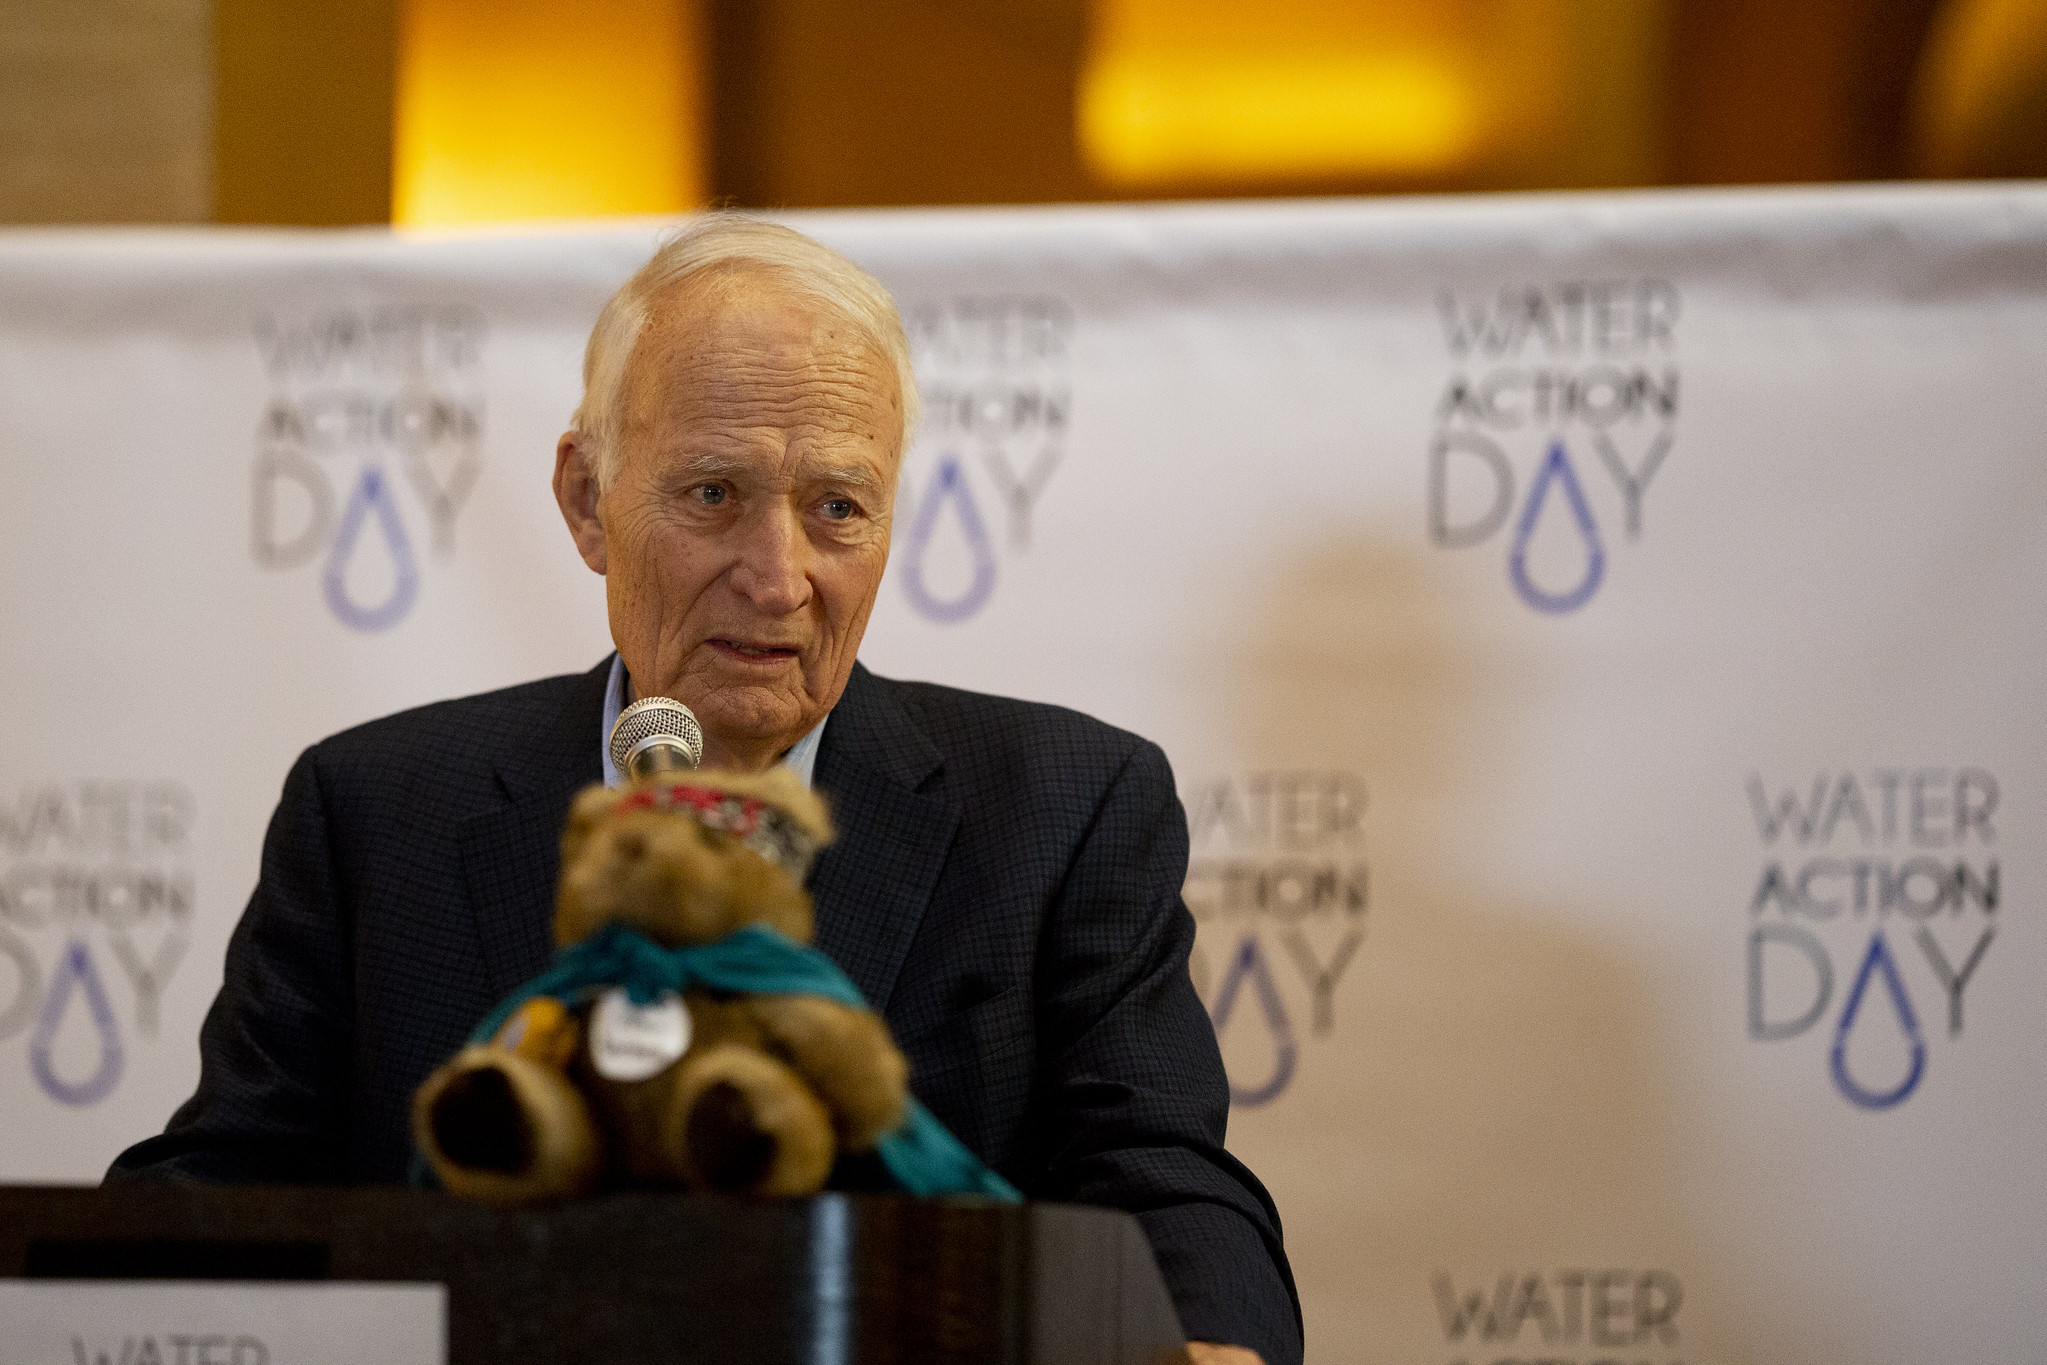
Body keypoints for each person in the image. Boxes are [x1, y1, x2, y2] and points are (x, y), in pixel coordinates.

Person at [110, 216, 1301, 1365]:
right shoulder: (373, 811)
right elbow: (225, 1191)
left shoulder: (1066, 810)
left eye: (836, 508)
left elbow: (1160, 1173)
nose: (778, 578)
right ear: (588, 501)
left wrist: (1210, 1343)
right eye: (714, 496)